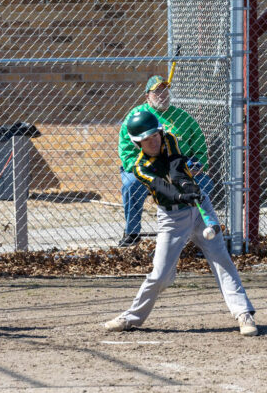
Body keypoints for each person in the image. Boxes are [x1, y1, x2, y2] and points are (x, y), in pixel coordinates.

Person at [104, 110, 258, 337]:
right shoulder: (140, 167)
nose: (153, 141)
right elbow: (162, 188)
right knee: (160, 275)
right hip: (172, 218)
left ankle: (243, 314)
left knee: (221, 260)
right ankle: (131, 317)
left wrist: (187, 186)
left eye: (155, 135)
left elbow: (177, 167)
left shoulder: (169, 139)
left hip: (200, 207)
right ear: (138, 143)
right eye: (146, 139)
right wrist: (180, 195)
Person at [117, 74, 212, 246]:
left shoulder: (183, 117)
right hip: (148, 167)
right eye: (157, 92)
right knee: (132, 185)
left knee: (205, 183)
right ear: (147, 96)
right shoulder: (137, 115)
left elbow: (199, 146)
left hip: (179, 167)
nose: (163, 95)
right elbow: (126, 150)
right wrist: (141, 167)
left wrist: (198, 164)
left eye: (165, 90)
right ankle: (132, 232)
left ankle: (196, 233)